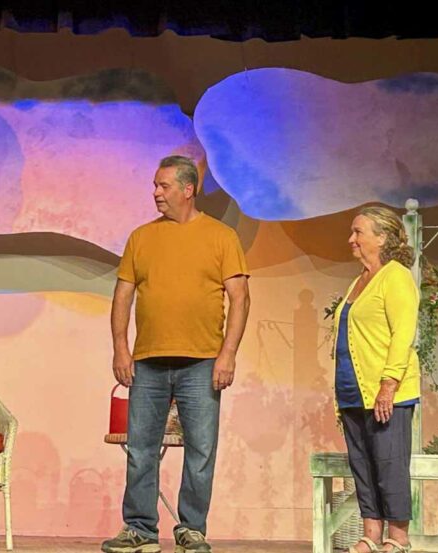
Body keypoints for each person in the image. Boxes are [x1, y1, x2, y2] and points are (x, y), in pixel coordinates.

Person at [102, 156, 250, 553]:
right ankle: (139, 528)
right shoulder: (141, 237)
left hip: (202, 361)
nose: (155, 193)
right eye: (154, 185)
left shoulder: (221, 237)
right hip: (148, 360)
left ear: (189, 189)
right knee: (141, 448)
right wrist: (121, 347)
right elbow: (122, 296)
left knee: (201, 448)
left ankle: (192, 528)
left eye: (163, 186)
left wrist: (228, 354)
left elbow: (239, 298)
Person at [332, 207, 419, 553]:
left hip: (387, 391)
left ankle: (397, 538)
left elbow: (403, 334)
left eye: (358, 233)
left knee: (389, 463)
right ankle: (370, 532)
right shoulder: (359, 280)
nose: (351, 239)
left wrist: (388, 384)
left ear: (381, 237)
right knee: (363, 464)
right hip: (354, 390)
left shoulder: (395, 275)